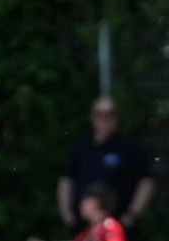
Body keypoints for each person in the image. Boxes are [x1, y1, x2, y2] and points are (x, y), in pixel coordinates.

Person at [58, 97, 156, 231]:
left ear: (116, 117)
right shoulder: (81, 148)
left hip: (118, 226)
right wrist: (67, 214)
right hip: (83, 226)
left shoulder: (130, 148)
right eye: (99, 114)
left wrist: (132, 214)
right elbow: (66, 180)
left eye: (109, 115)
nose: (104, 120)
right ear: (92, 117)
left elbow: (146, 182)